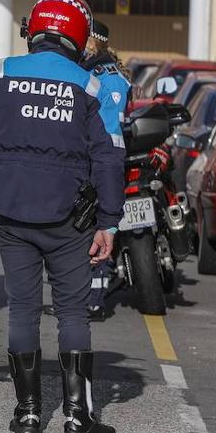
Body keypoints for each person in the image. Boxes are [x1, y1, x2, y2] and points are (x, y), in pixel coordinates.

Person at [0, 0, 123, 433]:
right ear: (78, 37)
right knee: (72, 311)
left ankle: (28, 413)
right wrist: (109, 221)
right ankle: (78, 419)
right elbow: (111, 157)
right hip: (69, 220)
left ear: (34, 31)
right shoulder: (91, 86)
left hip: (10, 212)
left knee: (22, 308)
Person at [81, 20, 130, 321]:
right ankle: (94, 298)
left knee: (91, 229)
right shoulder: (118, 76)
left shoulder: (97, 76)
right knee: (100, 227)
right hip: (111, 158)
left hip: (96, 158)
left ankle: (92, 298)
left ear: (93, 41)